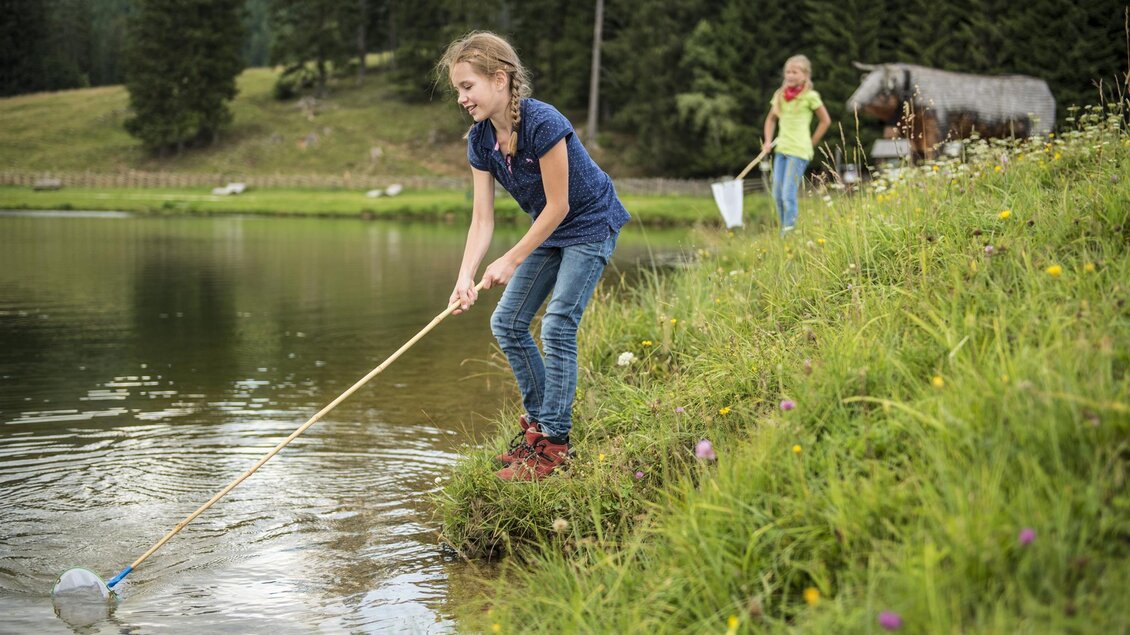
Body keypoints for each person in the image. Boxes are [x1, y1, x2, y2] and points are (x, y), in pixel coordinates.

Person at [437, 32, 630, 481]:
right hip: (551, 228)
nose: (462, 98)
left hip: (589, 221)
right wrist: (464, 277)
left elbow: (560, 205)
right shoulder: (480, 141)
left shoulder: (543, 123)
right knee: (506, 322)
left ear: (500, 79)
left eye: (468, 87)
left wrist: (511, 259)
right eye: (457, 90)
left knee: (559, 322)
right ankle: (540, 428)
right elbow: (481, 220)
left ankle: (555, 445)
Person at [762, 55, 831, 236]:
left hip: (799, 151)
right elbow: (770, 120)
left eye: (795, 72)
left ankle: (789, 234)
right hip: (781, 150)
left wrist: (812, 142)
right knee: (777, 194)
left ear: (805, 74)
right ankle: (784, 229)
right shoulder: (779, 96)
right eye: (788, 72)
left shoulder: (810, 96)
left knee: (788, 194)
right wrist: (768, 141)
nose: (790, 75)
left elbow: (825, 121)